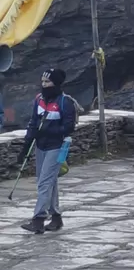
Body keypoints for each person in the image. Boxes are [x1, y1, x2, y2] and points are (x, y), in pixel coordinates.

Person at [22, 65, 79, 234]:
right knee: (50, 181)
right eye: (42, 81)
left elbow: (69, 127)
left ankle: (38, 219)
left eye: (47, 81)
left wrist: (48, 131)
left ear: (56, 83)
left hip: (57, 146)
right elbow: (33, 122)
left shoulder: (65, 102)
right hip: (41, 146)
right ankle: (56, 217)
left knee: (44, 183)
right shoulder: (39, 99)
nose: (44, 84)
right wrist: (26, 144)